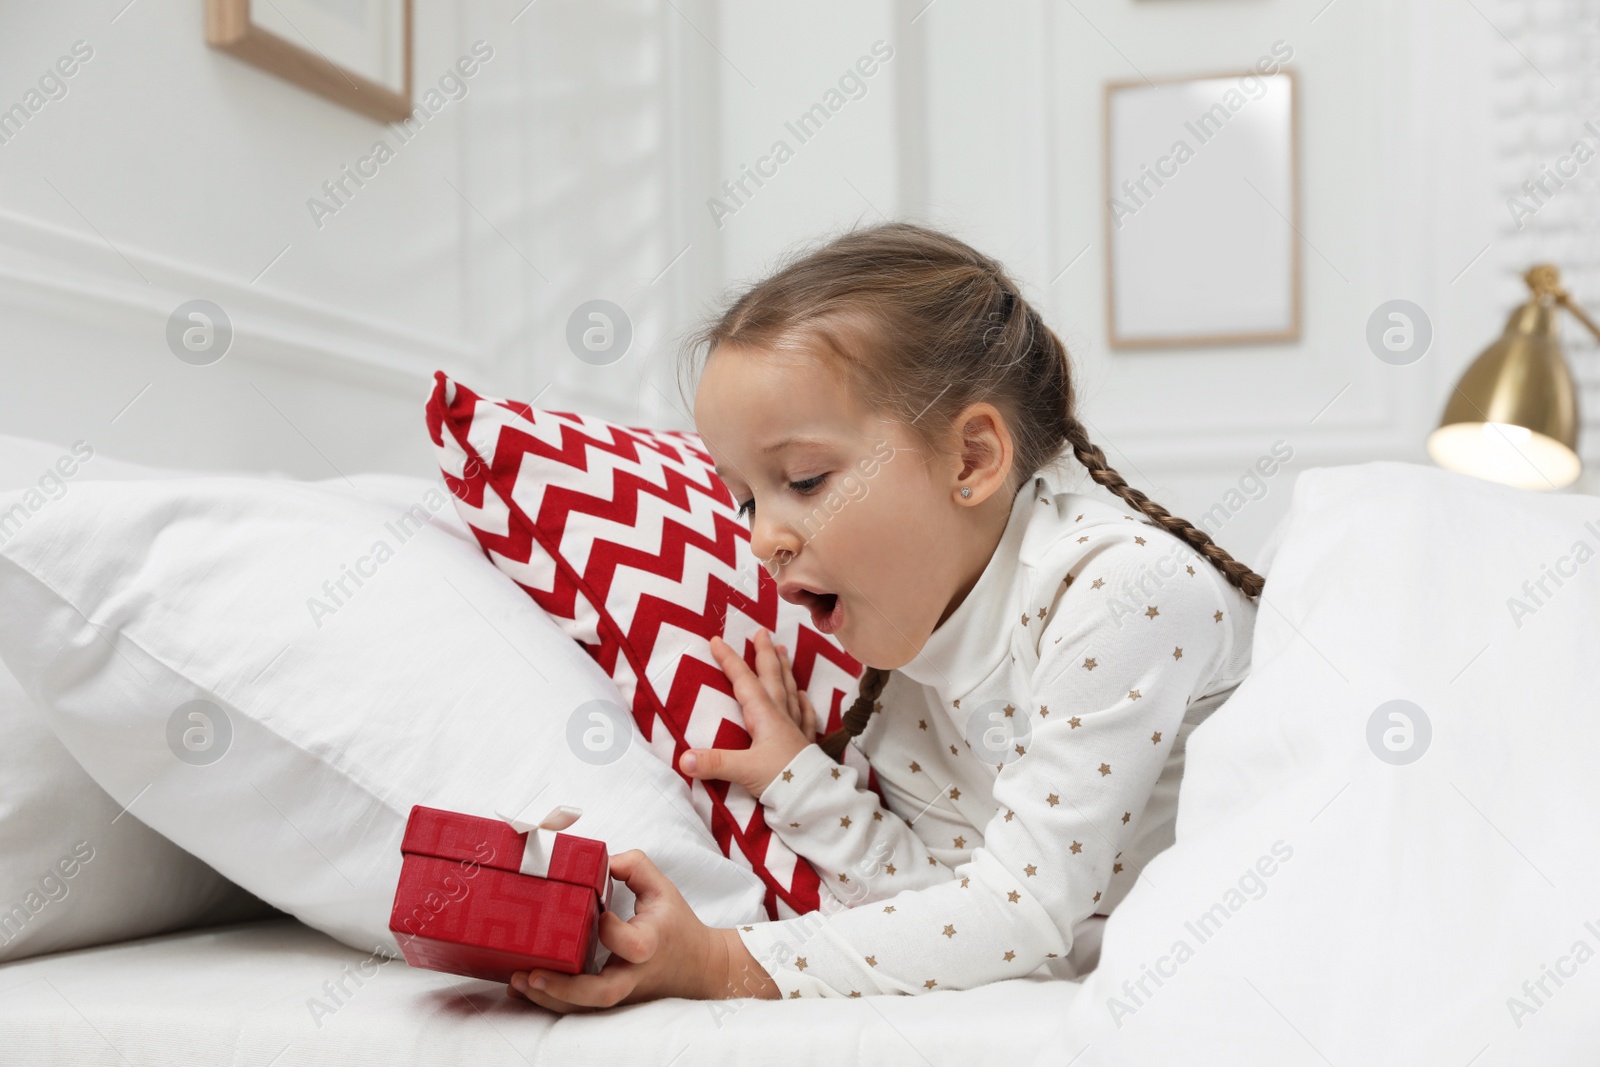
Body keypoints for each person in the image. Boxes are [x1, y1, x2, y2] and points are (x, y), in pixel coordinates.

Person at [507, 220, 1263, 1010]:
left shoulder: (1120, 593)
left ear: (970, 460)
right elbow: (947, 914)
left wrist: (723, 962)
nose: (762, 537)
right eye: (744, 497)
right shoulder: (908, 686)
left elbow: (1021, 914)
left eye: (803, 479)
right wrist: (801, 782)